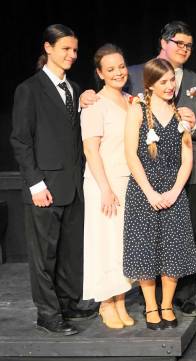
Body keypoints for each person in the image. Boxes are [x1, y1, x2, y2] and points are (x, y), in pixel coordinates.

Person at [81, 21, 196, 316]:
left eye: (189, 45)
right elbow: (108, 95)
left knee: (184, 233)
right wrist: (85, 96)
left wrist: (194, 124)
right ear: (164, 42)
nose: (185, 49)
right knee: (135, 239)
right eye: (179, 43)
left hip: (180, 170)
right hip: (135, 172)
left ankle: (182, 297)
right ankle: (137, 302)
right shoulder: (131, 74)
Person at [10, 24, 95, 336]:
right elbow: (21, 140)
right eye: (65, 49)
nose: (72, 55)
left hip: (72, 186)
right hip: (44, 187)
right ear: (48, 48)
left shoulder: (73, 89)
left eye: (74, 50)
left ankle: (67, 302)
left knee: (69, 253)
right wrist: (35, 183)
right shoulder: (29, 90)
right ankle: (48, 314)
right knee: (44, 256)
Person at [123, 58, 196, 330]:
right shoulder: (138, 110)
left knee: (173, 251)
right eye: (163, 81)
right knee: (145, 250)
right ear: (151, 85)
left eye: (171, 80)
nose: (169, 86)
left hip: (173, 190)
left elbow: (187, 157)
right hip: (144, 190)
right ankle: (151, 306)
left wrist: (175, 191)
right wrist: (150, 193)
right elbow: (131, 154)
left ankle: (167, 304)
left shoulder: (181, 114)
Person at [81, 44, 133, 329]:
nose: (118, 73)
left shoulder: (132, 101)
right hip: (104, 182)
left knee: (123, 246)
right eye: (110, 69)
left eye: (121, 67)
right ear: (100, 73)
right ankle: (106, 303)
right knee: (105, 244)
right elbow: (91, 149)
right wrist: (105, 188)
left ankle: (121, 300)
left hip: (128, 182)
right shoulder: (94, 104)